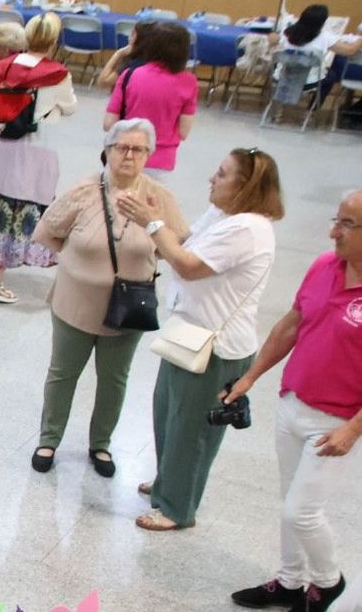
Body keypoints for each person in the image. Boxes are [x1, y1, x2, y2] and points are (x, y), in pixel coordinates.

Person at [119, 148, 283, 532]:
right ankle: (167, 483)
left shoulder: (248, 229)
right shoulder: (223, 216)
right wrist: (155, 224)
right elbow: (186, 245)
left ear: (245, 186)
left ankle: (177, 508)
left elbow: (189, 267)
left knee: (192, 431)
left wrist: (153, 224)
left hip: (215, 348)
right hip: (187, 334)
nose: (212, 178)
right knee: (168, 415)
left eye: (222, 174)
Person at [225, 190, 362, 612]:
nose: (332, 231)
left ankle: (327, 580)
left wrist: (354, 429)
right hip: (293, 402)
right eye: (335, 219)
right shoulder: (324, 266)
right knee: (290, 499)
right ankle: (288, 581)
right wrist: (251, 376)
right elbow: (291, 324)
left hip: (336, 419)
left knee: (300, 511)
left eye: (346, 224)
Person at [29, 120, 186, 477]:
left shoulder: (159, 199)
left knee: (114, 378)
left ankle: (101, 444)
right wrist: (77, 263)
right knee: (62, 373)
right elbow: (47, 233)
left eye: (138, 149)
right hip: (75, 301)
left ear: (149, 155)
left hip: (129, 306)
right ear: (108, 150)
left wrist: (145, 250)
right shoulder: (84, 191)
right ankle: (48, 438)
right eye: (122, 148)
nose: (129, 155)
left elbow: (175, 246)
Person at [0, 12, 76, 303]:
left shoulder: (3, 66)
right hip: (32, 148)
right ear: (54, 41)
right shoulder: (58, 74)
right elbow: (69, 106)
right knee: (18, 208)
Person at [103, 21, 195, 175]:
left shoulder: (130, 74)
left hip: (124, 154)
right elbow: (183, 131)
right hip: (161, 160)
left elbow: (108, 124)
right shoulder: (189, 82)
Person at [282, 3, 362, 96]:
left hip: (282, 76)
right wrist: (360, 40)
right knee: (331, 74)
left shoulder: (287, 32)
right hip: (308, 82)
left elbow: (274, 38)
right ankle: (314, 106)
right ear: (322, 23)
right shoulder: (324, 37)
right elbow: (350, 50)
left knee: (335, 62)